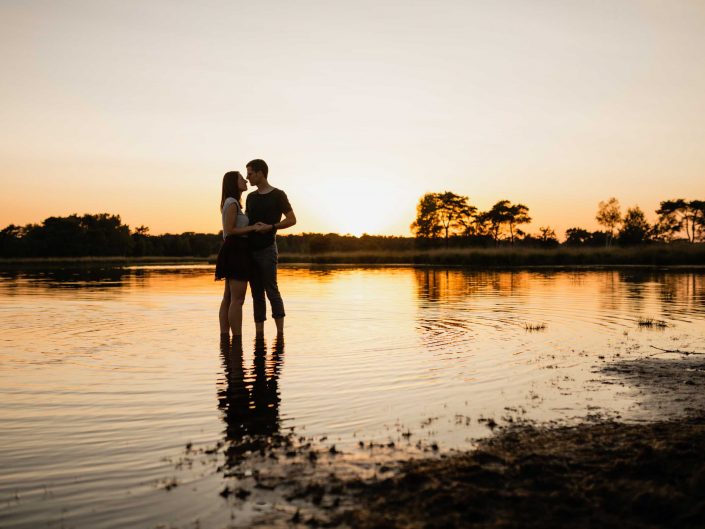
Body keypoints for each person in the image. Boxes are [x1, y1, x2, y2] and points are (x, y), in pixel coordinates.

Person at [245, 159, 297, 336]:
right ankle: (259, 335)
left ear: (260, 173)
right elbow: (246, 221)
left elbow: (292, 219)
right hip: (250, 251)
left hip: (268, 249)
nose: (247, 177)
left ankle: (280, 335)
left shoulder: (278, 195)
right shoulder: (250, 197)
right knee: (256, 294)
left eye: (250, 173)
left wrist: (271, 227)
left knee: (271, 290)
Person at [215, 171, 266, 340]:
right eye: (240, 178)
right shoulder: (232, 204)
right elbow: (229, 230)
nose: (245, 180)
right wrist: (252, 228)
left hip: (233, 249)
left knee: (229, 297)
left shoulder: (232, 203)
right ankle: (236, 339)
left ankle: (224, 337)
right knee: (237, 299)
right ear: (233, 183)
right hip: (236, 250)